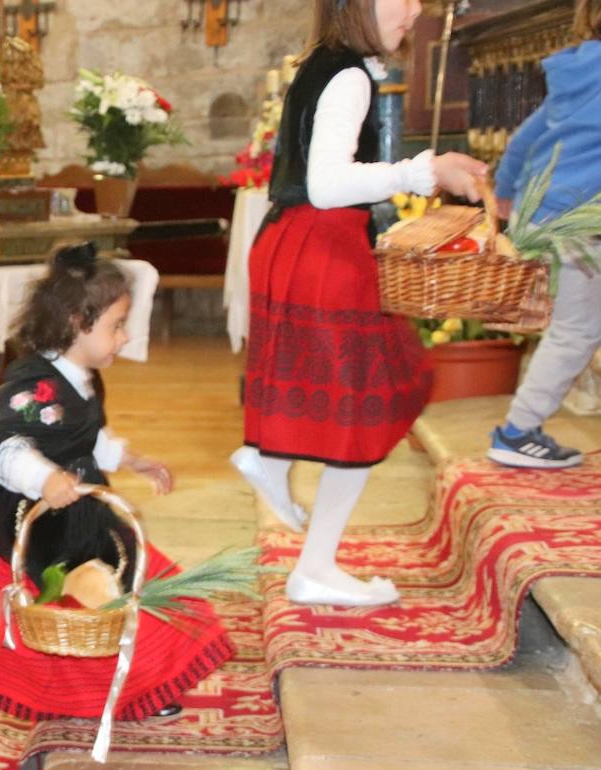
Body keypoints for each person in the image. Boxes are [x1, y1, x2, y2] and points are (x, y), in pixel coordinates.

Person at [0, 245, 236, 770]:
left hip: (73, 515)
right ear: (78, 324)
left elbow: (85, 434)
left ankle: (140, 690)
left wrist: (129, 458)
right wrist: (44, 477)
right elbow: (0, 444)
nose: (124, 338)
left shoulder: (78, 377)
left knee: (132, 593)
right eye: (117, 325)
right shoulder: (31, 384)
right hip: (15, 530)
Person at [231, 0, 490, 607]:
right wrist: (423, 171)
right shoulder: (347, 74)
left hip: (295, 244)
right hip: (323, 251)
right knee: (377, 400)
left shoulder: (327, 64)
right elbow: (326, 183)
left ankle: (270, 464)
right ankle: (313, 559)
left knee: (359, 398)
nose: (416, 9)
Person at [485, 0, 601, 469]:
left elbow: (521, 140)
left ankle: (519, 428)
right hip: (580, 221)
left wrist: (509, 198)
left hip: (546, 210)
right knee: (576, 331)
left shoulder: (576, 75)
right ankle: (518, 431)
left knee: (576, 327)